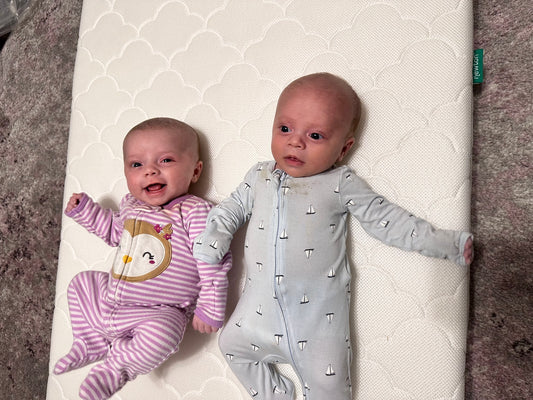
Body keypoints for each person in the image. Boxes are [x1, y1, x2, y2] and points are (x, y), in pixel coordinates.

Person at [192, 73, 473, 400]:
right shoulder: (259, 176)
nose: (295, 142)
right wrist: (210, 245)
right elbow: (230, 209)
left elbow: (386, 220)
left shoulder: (340, 183)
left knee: (332, 391)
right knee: (230, 346)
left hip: (317, 324)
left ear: (344, 148)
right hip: (256, 314)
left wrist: (447, 244)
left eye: (315, 135)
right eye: (285, 129)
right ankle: (274, 395)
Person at [53, 117, 232, 400]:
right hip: (110, 301)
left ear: (195, 171)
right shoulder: (130, 205)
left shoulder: (194, 212)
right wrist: (86, 211)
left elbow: (211, 256)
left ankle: (116, 369)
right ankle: (91, 341)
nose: (149, 171)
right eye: (137, 164)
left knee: (165, 334)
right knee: (81, 283)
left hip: (159, 311)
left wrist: (211, 303)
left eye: (166, 160)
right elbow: (114, 233)